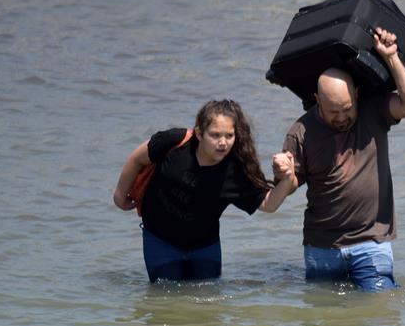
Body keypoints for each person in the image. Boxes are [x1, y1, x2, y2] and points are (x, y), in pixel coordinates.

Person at [278, 27, 405, 291]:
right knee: (325, 322)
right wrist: (285, 175)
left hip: (372, 242)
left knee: (381, 315)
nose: (342, 117)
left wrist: (391, 57)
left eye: (347, 109)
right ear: (316, 101)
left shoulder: (374, 112)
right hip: (322, 246)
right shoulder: (300, 132)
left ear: (357, 95)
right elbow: (287, 189)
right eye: (333, 111)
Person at [113, 99, 299, 282]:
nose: (223, 143)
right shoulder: (175, 142)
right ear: (199, 134)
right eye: (215, 135)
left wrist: (288, 177)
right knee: (164, 299)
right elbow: (137, 159)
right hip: (160, 240)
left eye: (229, 135)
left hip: (204, 247)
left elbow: (269, 204)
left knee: (207, 302)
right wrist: (120, 196)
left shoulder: (234, 172)